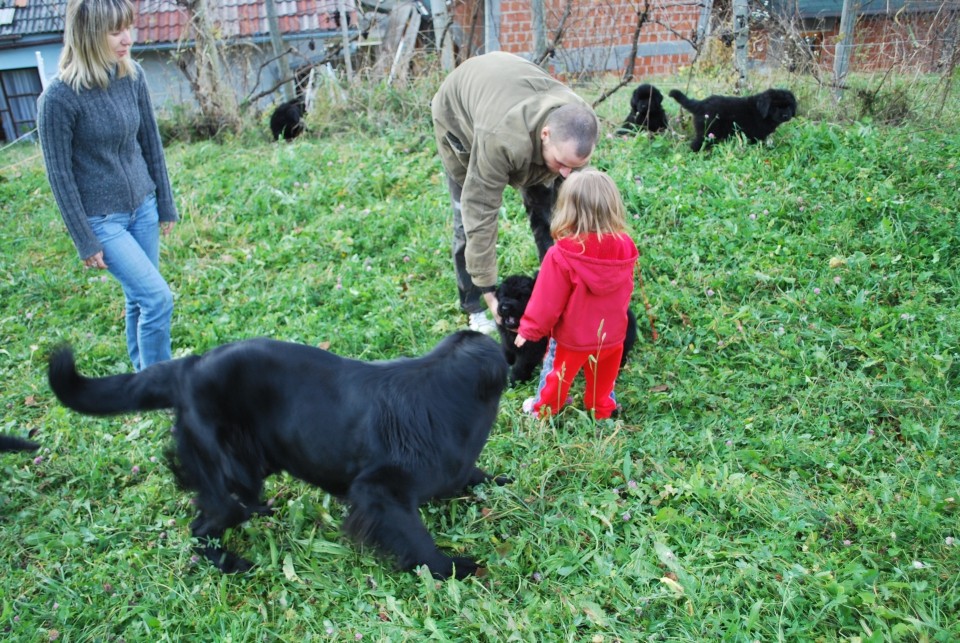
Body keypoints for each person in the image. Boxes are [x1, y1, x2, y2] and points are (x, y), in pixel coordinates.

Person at [38, 0, 178, 371]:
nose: (127, 39)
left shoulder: (131, 77)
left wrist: (164, 202)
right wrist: (84, 238)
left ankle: (142, 380)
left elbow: (151, 143)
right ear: (88, 34)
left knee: (138, 299)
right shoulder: (59, 98)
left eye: (127, 28)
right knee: (157, 299)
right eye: (115, 31)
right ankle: (161, 387)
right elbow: (60, 176)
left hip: (143, 208)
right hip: (104, 220)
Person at [432, 51, 599, 334]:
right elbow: (480, 212)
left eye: (575, 167)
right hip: (459, 115)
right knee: (467, 221)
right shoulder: (503, 141)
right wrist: (488, 289)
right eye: (562, 163)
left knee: (549, 210)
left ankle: (556, 287)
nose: (566, 174)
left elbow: (575, 206)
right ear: (545, 136)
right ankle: (474, 307)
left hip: (511, 95)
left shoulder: (579, 122)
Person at [514, 170, 638, 420]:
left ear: (567, 209)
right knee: (604, 377)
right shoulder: (625, 246)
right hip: (612, 334)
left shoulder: (561, 254)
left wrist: (529, 330)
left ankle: (544, 411)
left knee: (557, 375)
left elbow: (546, 302)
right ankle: (602, 410)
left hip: (572, 338)